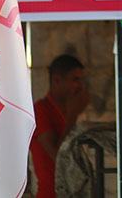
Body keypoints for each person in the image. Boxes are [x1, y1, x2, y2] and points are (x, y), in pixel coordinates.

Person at [29, 54, 90, 198]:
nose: (80, 86)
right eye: (75, 80)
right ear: (56, 80)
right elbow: (58, 157)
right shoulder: (41, 110)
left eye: (81, 80)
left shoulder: (67, 110)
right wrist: (73, 115)